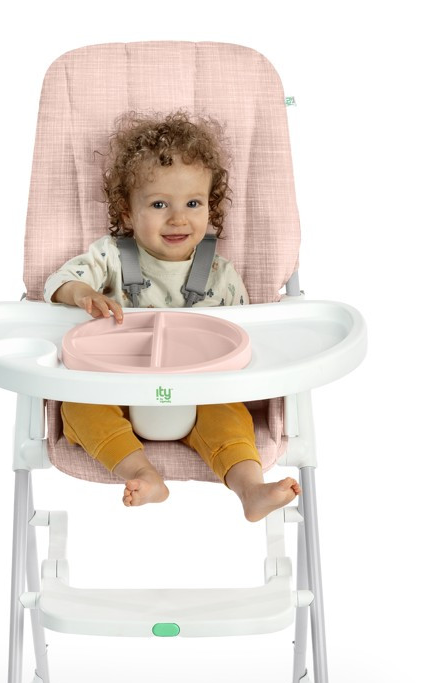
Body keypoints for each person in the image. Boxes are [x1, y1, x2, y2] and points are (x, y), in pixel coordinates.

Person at [45, 111, 300, 522]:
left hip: (199, 397)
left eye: (193, 203)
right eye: (159, 204)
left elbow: (248, 341)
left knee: (230, 415)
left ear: (210, 208)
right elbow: (59, 282)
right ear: (127, 213)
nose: (178, 218)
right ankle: (143, 474)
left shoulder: (219, 273)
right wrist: (83, 294)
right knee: (77, 409)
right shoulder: (111, 256)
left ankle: (250, 489)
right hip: (117, 391)